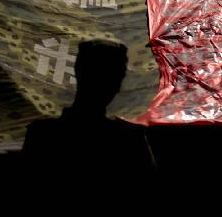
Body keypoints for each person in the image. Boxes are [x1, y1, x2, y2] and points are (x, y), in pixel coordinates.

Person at [23, 39, 155, 200]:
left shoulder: (43, 134)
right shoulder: (128, 139)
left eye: (116, 76)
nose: (114, 85)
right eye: (114, 76)